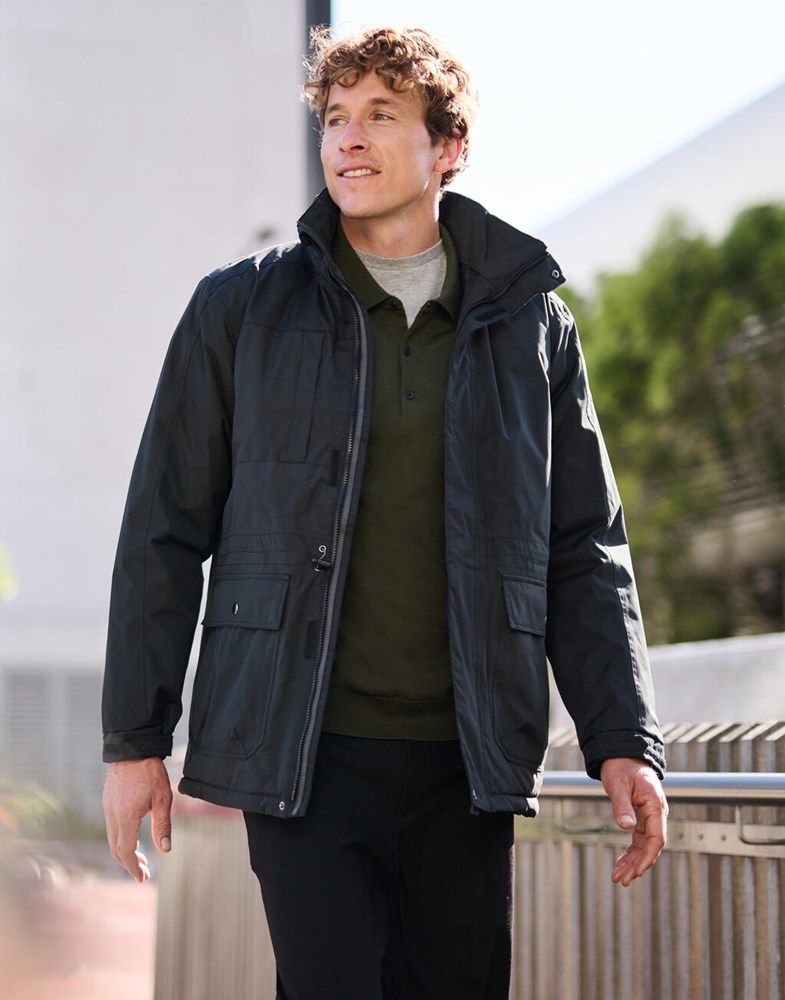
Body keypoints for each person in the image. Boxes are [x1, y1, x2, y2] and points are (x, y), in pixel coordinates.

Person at [102, 25, 668, 1000]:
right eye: (334, 118)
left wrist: (622, 736)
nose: (347, 139)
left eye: (379, 114)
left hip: (468, 754)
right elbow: (163, 531)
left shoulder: (529, 324)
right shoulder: (240, 312)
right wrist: (134, 742)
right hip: (302, 749)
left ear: (448, 146)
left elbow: (584, 546)